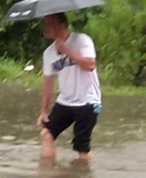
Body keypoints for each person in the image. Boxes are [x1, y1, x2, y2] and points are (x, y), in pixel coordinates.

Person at [37, 13, 101, 160]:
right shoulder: (48, 53)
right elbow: (48, 83)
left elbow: (90, 65)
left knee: (81, 147)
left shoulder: (82, 40)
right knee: (47, 133)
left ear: (62, 25)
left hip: (88, 101)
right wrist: (44, 110)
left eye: (49, 24)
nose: (45, 28)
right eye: (45, 24)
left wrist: (66, 50)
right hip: (65, 101)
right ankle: (46, 176)